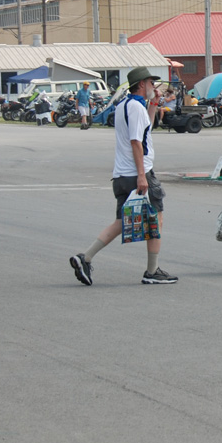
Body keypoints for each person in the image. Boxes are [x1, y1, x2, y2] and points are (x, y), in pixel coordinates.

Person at [69, 66, 177, 286]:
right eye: (150, 83)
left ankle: (85, 257)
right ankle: (152, 270)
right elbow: (136, 142)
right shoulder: (135, 108)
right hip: (138, 171)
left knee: (121, 221)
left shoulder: (124, 106)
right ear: (141, 84)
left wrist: (154, 104)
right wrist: (142, 176)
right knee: (157, 217)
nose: (153, 87)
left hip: (121, 174)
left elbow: (145, 129)